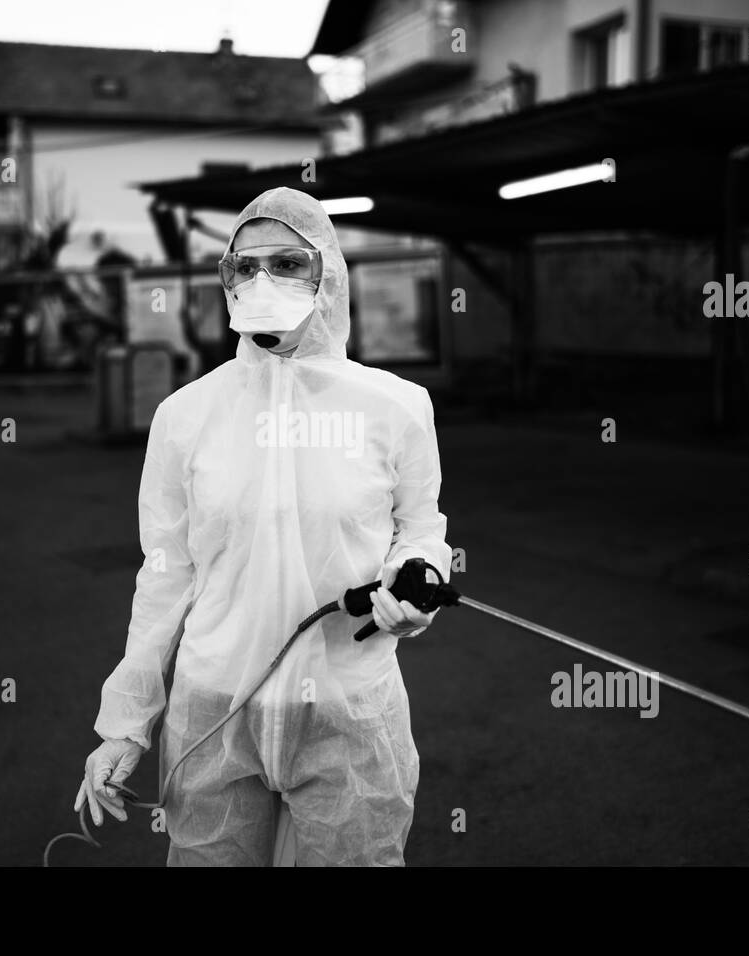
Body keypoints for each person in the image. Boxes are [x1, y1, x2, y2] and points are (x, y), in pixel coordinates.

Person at [75, 187, 452, 866]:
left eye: (285, 262)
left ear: (327, 274)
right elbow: (165, 576)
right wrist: (125, 727)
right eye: (243, 267)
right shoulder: (186, 416)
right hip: (216, 712)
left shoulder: (396, 408)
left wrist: (416, 580)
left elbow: (422, 528)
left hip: (349, 710)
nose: (261, 280)